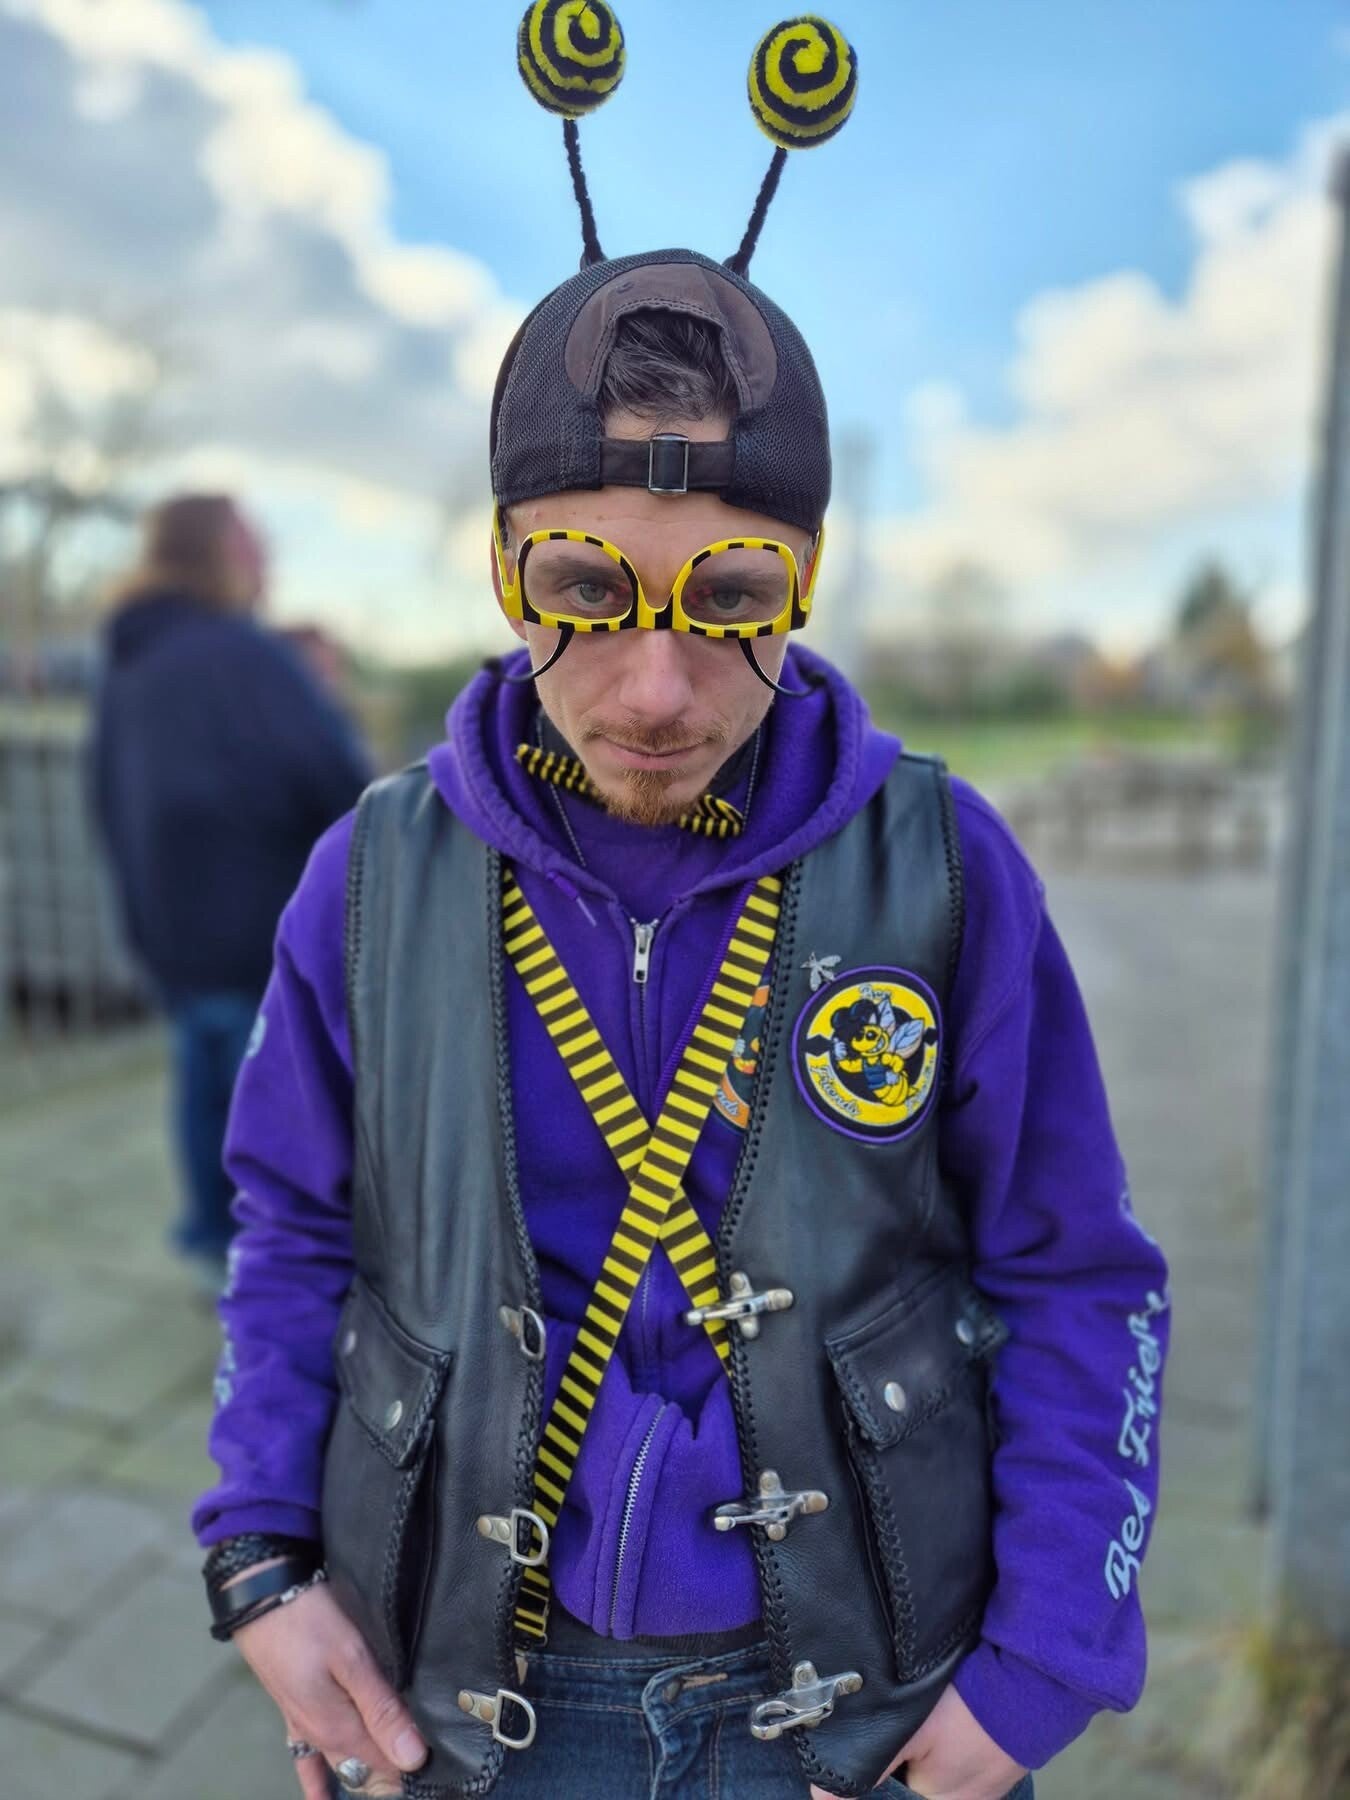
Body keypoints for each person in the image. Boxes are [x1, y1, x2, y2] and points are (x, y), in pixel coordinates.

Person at [192, 12, 1169, 1800]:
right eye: (582, 587)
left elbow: (1075, 1272)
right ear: (506, 567)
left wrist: (1047, 1656)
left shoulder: (949, 870)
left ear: (805, 576)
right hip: (461, 1692)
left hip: (869, 1704)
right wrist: (261, 1556)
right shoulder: (371, 879)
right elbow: (291, 1237)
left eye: (730, 597)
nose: (653, 690)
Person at [92, 491, 373, 1291]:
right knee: (286, 1111)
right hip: (264, 931)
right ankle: (282, 1272)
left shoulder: (129, 664)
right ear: (214, 552)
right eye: (252, 543)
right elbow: (339, 785)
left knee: (204, 1089)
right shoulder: (245, 655)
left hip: (170, 932)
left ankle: (210, 1244)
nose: (266, 558)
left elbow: (104, 797)